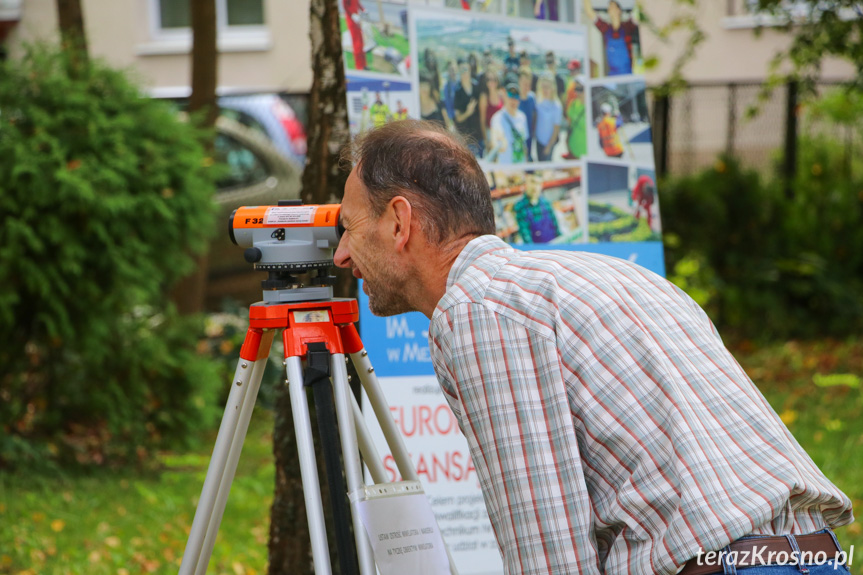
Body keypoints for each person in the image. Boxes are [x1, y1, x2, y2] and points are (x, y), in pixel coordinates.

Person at [334, 119, 854, 575]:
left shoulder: (478, 309)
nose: (339, 255)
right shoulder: (604, 275)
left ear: (400, 222)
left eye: (349, 228)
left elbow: (548, 551)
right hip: (807, 555)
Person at [585, 0, 639, 76]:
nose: (610, 9)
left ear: (619, 10)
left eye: (613, 6)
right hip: (612, 75)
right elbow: (589, 12)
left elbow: (638, 11)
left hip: (627, 74)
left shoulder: (628, 26)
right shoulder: (606, 29)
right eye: (609, 8)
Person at [513, 170, 560, 243]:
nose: (535, 187)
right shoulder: (520, 207)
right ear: (526, 182)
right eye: (532, 182)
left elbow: (557, 229)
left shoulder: (546, 203)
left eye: (538, 183)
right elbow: (527, 239)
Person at [488, 81, 529, 164]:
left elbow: (524, 144)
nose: (513, 100)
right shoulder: (497, 118)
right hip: (505, 169)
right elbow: (495, 138)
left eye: (516, 96)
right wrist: (500, 143)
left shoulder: (522, 117)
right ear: (505, 97)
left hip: (520, 169)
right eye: (510, 95)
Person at [454, 59, 484, 157]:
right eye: (461, 70)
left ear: (470, 70)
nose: (464, 72)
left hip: (479, 136)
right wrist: (468, 112)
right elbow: (458, 118)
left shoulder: (478, 87)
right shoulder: (458, 92)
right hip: (466, 138)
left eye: (466, 69)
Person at [533, 71, 562, 162]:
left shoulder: (557, 106)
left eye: (548, 87)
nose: (545, 90)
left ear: (553, 88)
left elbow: (556, 130)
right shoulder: (538, 101)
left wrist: (548, 147)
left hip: (548, 144)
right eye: (543, 86)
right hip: (538, 142)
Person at [479, 69, 504, 154]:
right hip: (489, 132)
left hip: (501, 132)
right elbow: (482, 120)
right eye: (489, 79)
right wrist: (486, 140)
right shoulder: (484, 97)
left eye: (494, 79)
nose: (491, 82)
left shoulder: (501, 94)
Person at [516, 67, 537, 162]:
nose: (526, 86)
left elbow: (534, 115)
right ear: (519, 81)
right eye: (524, 82)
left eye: (528, 83)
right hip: (517, 138)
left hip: (529, 137)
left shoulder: (532, 98)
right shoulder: (514, 99)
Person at [343, 0, 367, 71]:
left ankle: (364, 64)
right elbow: (345, 6)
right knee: (357, 43)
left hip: (356, 16)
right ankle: (359, 66)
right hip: (351, 18)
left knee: (361, 41)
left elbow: (357, 2)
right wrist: (352, 15)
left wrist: (363, 9)